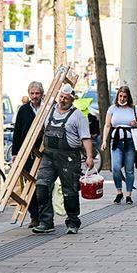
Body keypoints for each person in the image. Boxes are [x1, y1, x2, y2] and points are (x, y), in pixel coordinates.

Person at [33, 84, 94, 235]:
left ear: (72, 100)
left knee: (70, 191)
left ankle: (73, 222)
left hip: (69, 157)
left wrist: (89, 156)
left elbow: (85, 137)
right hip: (48, 155)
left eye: (66, 98)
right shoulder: (49, 111)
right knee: (42, 186)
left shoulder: (78, 115)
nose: (63, 100)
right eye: (61, 96)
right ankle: (46, 222)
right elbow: (39, 131)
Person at [101, 86, 137, 205]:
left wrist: (136, 123)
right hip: (116, 142)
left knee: (129, 170)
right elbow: (107, 125)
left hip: (130, 143)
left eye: (125, 96)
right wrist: (104, 140)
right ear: (117, 96)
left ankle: (129, 194)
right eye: (120, 96)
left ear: (128, 97)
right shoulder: (112, 109)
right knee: (115, 168)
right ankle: (119, 191)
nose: (122, 98)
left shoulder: (134, 109)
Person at [12, 81, 44, 228]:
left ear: (42, 94)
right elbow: (17, 132)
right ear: (29, 94)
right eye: (32, 93)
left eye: (37, 93)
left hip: (44, 153)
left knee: (43, 185)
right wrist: (15, 153)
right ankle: (34, 217)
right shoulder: (24, 110)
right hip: (27, 154)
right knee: (30, 186)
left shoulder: (47, 108)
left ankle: (44, 216)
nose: (34, 96)